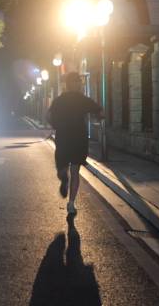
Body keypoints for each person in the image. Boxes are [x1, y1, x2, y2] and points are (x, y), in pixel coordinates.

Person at [46, 72, 107, 215]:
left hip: (63, 137)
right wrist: (94, 114)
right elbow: (103, 113)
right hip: (79, 138)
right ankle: (71, 203)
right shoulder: (84, 100)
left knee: (62, 167)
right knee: (75, 171)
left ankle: (63, 178)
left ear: (67, 84)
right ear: (79, 84)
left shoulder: (59, 100)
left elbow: (48, 116)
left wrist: (56, 125)